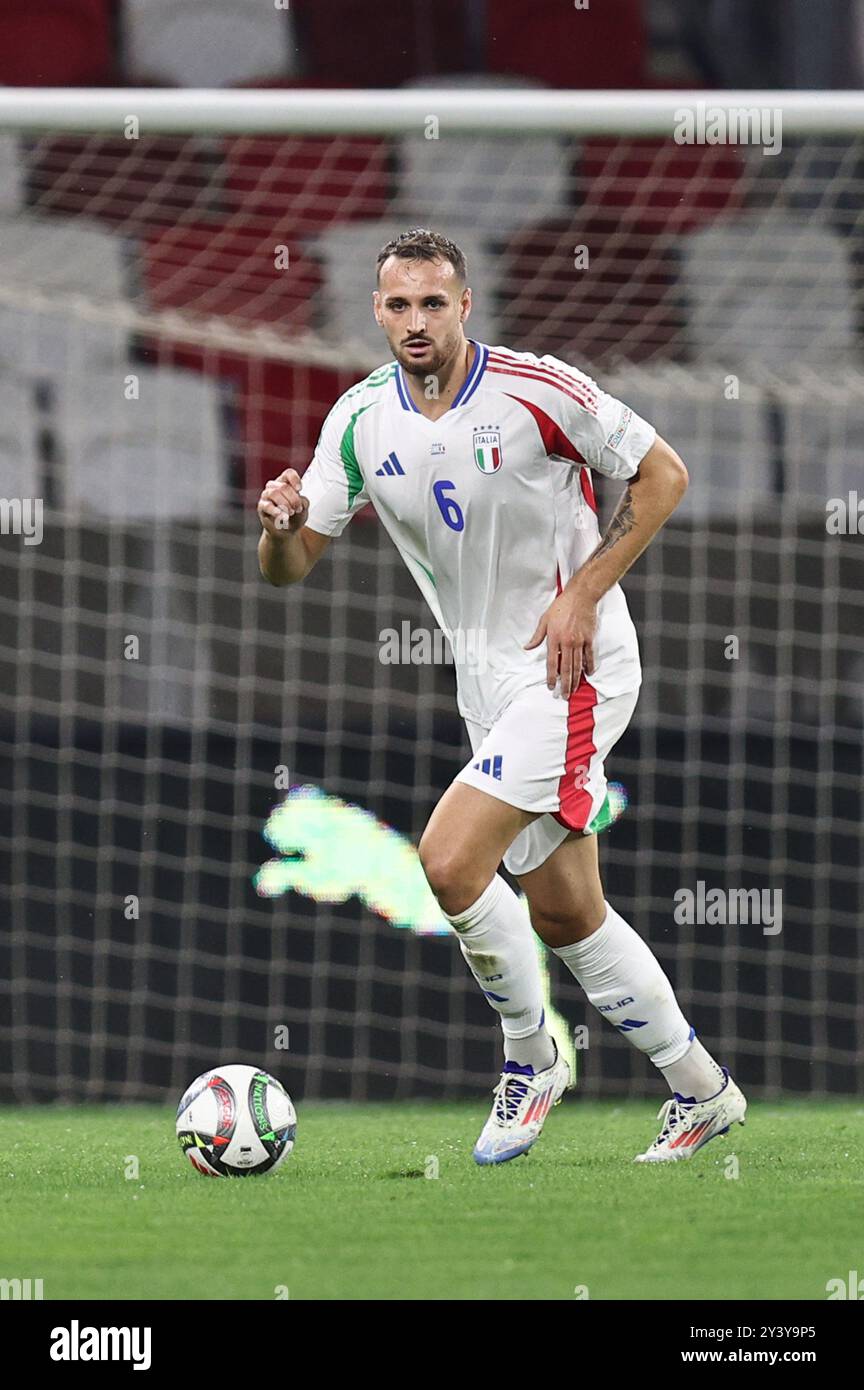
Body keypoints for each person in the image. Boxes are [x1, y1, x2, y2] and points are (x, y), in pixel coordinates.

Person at [257, 228, 747, 1165]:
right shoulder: (359, 421)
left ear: (465, 305)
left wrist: (581, 593)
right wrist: (279, 528)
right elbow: (289, 569)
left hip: (574, 665)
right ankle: (701, 1091)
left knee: (447, 863)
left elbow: (662, 474)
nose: (415, 321)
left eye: (432, 303)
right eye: (398, 305)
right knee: (566, 912)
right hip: (484, 679)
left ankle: (533, 1059)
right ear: (376, 311)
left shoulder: (537, 390)